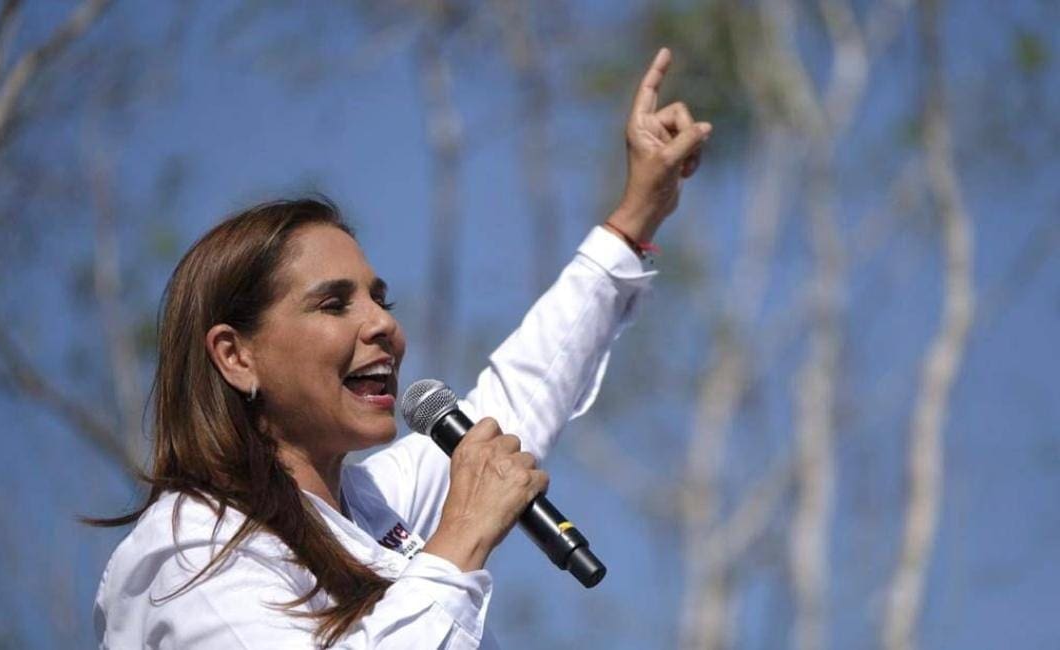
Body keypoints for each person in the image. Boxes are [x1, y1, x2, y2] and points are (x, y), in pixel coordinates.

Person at [89, 47, 711, 649]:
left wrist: (636, 216)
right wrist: (461, 536)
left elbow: (523, 391)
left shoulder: (374, 505)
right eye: (334, 305)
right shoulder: (190, 547)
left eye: (380, 299)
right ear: (235, 356)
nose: (383, 325)